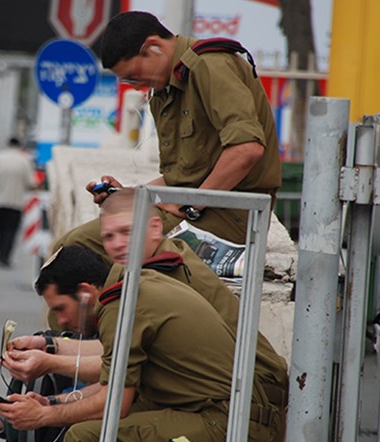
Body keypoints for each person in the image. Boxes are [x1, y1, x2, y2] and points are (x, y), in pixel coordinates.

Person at [0, 245, 285, 442]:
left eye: (61, 308)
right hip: (235, 416)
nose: (60, 320)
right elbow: (115, 377)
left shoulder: (120, 306)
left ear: (85, 293)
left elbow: (113, 404)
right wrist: (51, 402)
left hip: (230, 425)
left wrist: (44, 416)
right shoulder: (135, 284)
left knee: (83, 439)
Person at [4, 190, 288, 413]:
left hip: (252, 391)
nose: (116, 245)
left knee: (84, 434)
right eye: (108, 238)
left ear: (153, 228)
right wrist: (49, 347)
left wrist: (49, 363)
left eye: (126, 233)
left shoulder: (160, 275)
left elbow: (116, 363)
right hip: (231, 389)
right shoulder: (150, 264)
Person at [54, 10, 282, 261]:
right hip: (196, 206)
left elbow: (247, 149)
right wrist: (130, 195)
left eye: (134, 76)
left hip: (230, 215)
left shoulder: (209, 65)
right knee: (70, 247)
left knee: (88, 252)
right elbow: (186, 174)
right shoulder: (165, 87)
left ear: (153, 48)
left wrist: (190, 205)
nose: (137, 86)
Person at [0, 137, 35, 268]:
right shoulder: (25, 159)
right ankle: (5, 256)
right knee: (10, 230)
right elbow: (31, 182)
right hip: (16, 202)